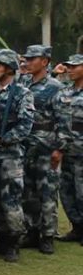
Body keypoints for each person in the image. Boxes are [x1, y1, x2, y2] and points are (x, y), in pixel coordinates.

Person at [0, 48, 35, 262]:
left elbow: (26, 125)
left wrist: (4, 138)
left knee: (11, 199)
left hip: (10, 153)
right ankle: (1, 238)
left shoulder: (23, 93)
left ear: (9, 68)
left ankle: (14, 241)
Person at [19, 45, 64, 254]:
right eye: (26, 59)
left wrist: (59, 149)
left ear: (44, 62)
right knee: (28, 192)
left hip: (47, 146)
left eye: (32, 59)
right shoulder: (24, 84)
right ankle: (31, 231)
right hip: (27, 145)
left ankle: (47, 235)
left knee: (47, 192)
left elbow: (63, 120)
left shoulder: (55, 87)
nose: (27, 62)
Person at [54, 54, 83, 243]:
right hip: (67, 151)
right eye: (68, 66)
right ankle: (77, 228)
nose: (70, 69)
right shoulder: (64, 92)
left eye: (75, 66)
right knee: (67, 191)